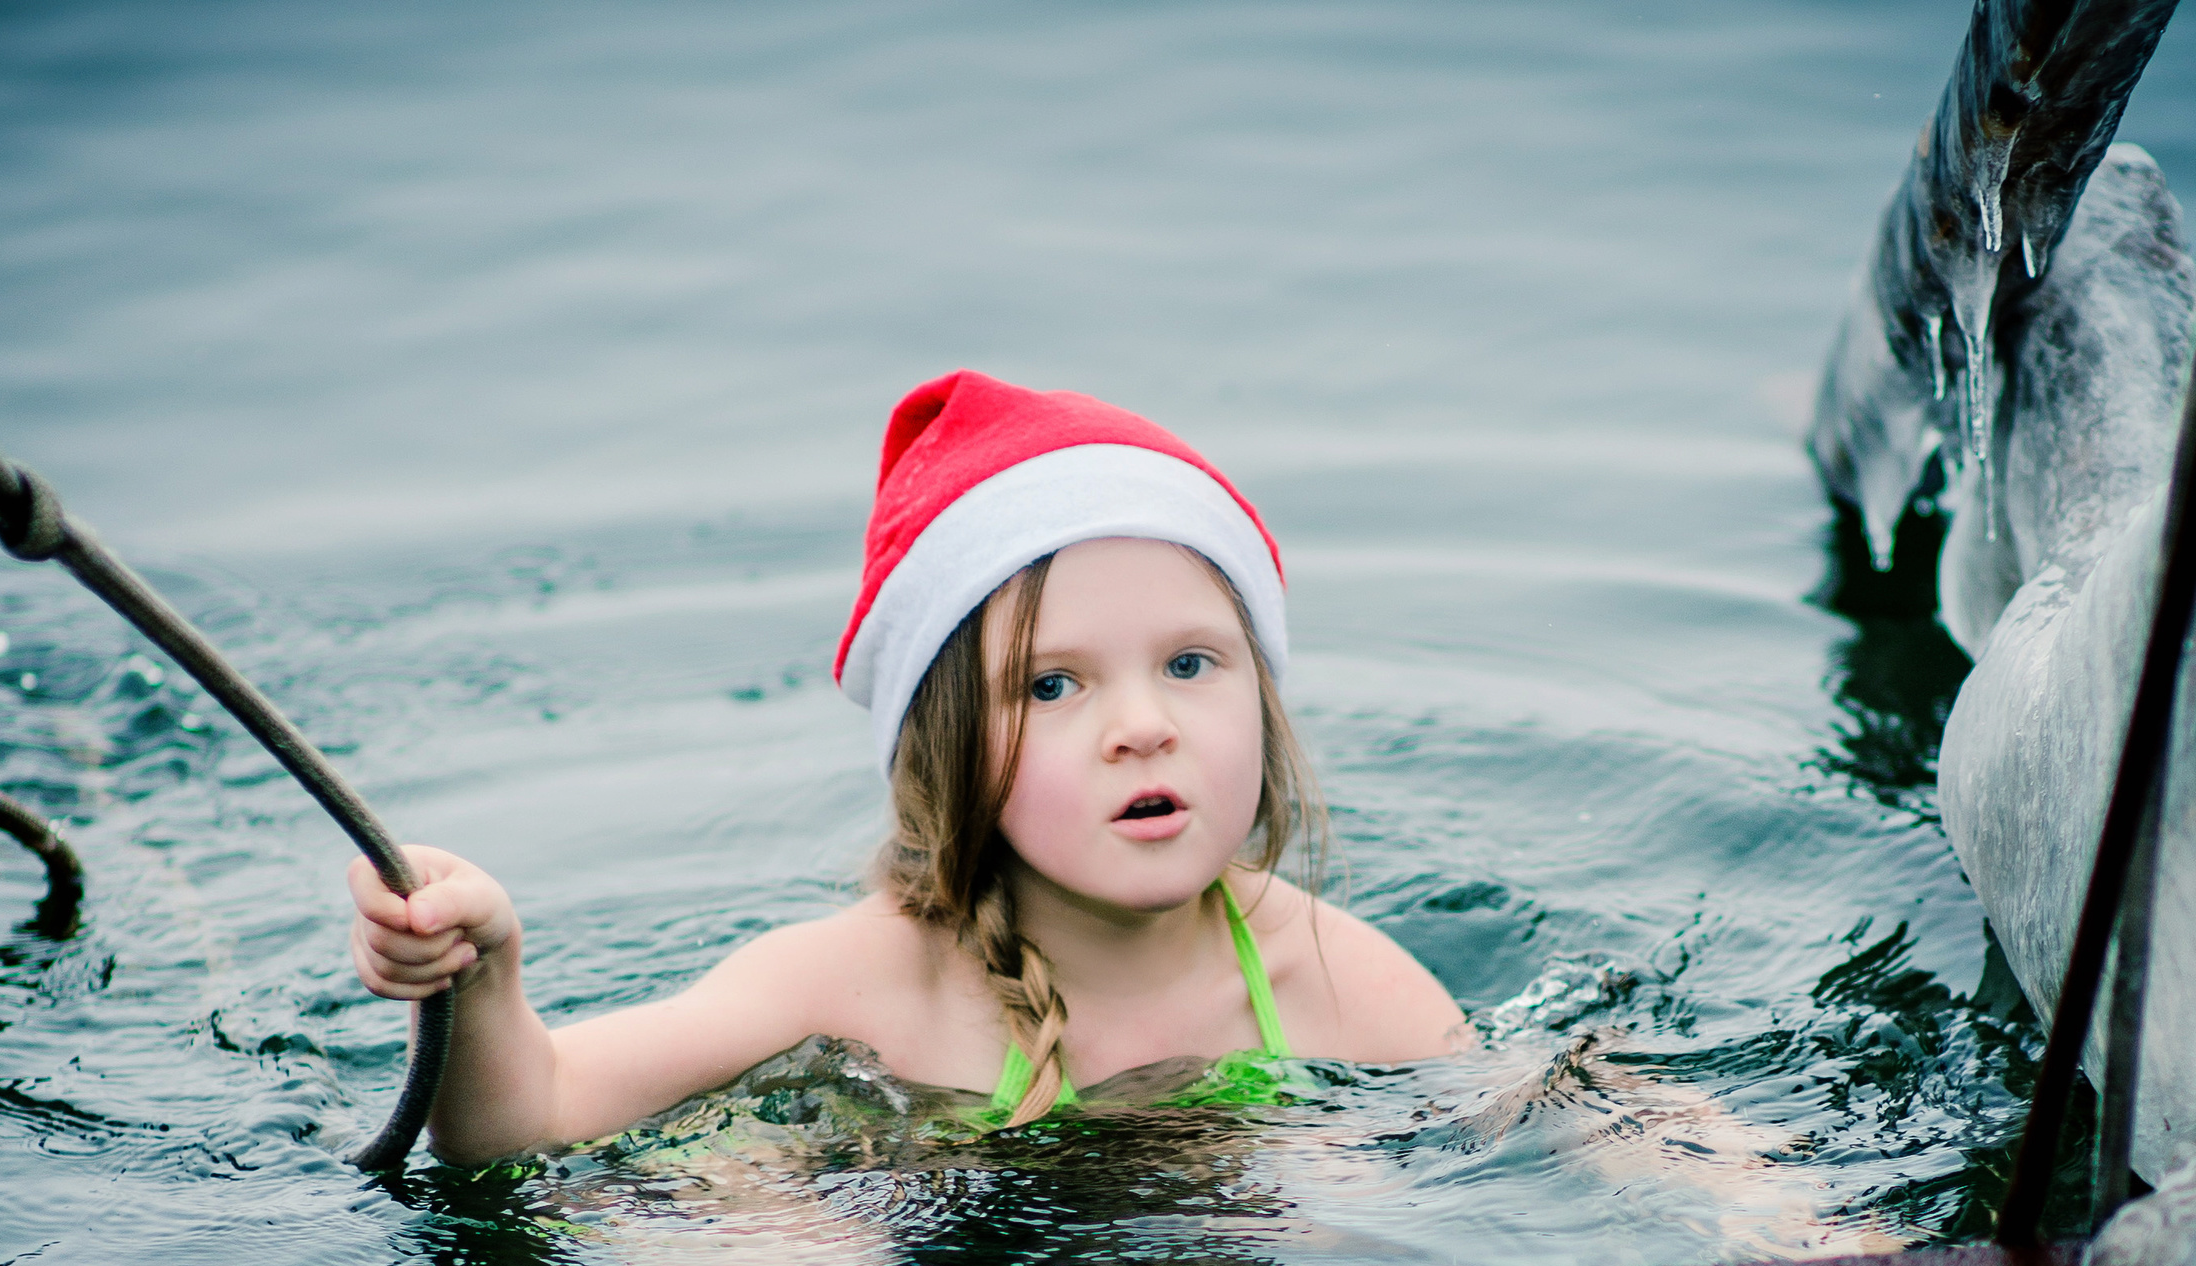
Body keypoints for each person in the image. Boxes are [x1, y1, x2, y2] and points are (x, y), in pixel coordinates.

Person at [348, 370, 1467, 1163]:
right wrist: (482, 983)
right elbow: (528, 1120)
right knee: (745, 1243)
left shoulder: (1331, 971)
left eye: (1189, 663)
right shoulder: (851, 987)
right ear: (942, 757)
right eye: (1049, 685)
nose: (1142, 724)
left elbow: (1528, 1124)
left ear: (1263, 701)